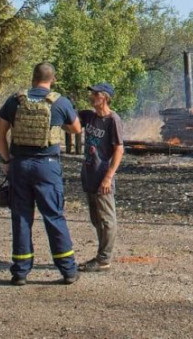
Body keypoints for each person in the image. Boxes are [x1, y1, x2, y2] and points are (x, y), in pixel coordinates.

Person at [0, 62, 81, 286]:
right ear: (52, 79)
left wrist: (6, 161)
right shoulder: (59, 102)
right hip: (47, 166)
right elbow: (76, 129)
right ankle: (68, 271)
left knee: (22, 217)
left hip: (20, 165)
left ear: (33, 78)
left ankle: (20, 272)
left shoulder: (15, 101)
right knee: (54, 216)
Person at [77, 82, 124, 272]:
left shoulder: (113, 120)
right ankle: (100, 255)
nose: (91, 97)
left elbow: (119, 149)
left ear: (104, 97)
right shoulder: (88, 116)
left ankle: (104, 259)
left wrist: (108, 177)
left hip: (103, 174)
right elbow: (69, 123)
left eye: (95, 94)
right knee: (96, 219)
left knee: (107, 219)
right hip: (89, 173)